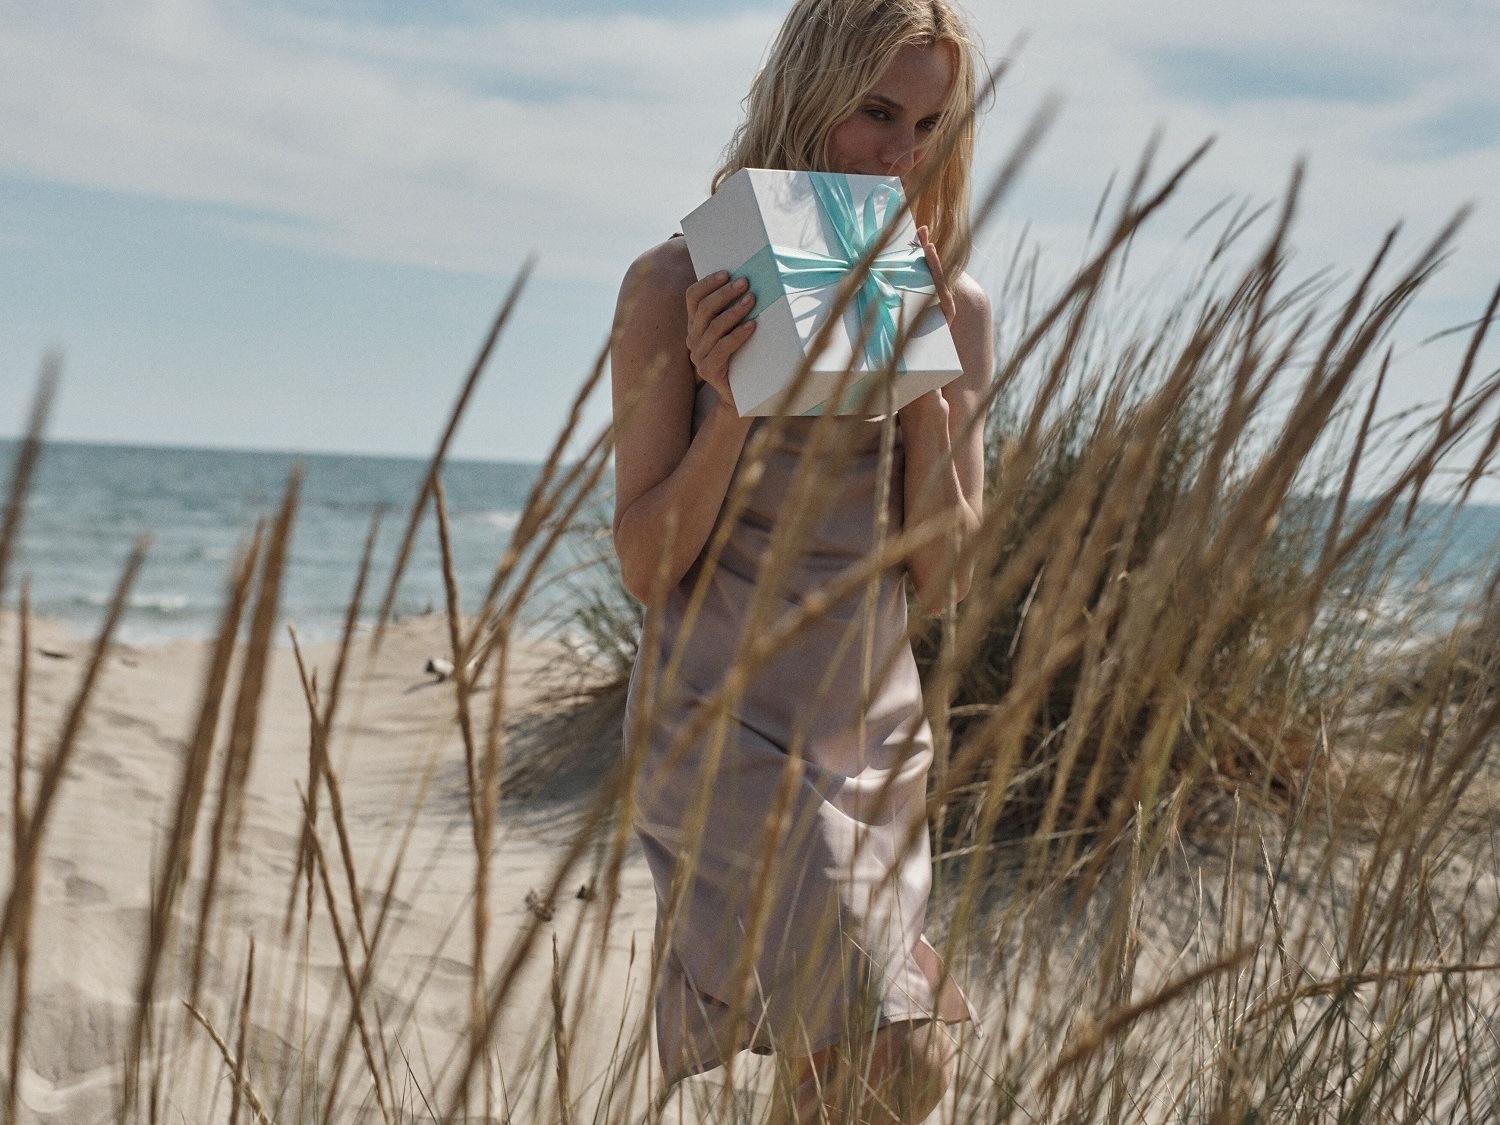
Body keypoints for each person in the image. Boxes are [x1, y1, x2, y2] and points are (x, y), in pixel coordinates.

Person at [609, 1, 993, 1120]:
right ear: (806, 94)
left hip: (869, 734)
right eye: (876, 112)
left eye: (924, 125)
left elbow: (946, 580)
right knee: (900, 1058)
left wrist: (924, 374)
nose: (899, 154)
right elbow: (646, 563)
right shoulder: (675, 284)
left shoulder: (955, 306)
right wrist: (731, 406)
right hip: (719, 724)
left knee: (869, 1069)